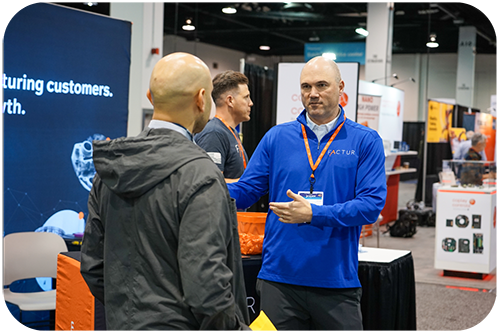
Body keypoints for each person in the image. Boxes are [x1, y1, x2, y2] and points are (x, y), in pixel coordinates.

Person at [80, 52, 250, 331]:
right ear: (201, 98)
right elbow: (206, 287)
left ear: (150, 96)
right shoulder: (200, 175)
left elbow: (93, 265)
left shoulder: (111, 168)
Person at [227, 56, 387, 331]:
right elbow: (245, 190)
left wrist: (315, 214)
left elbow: (371, 205)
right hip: (279, 280)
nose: (313, 94)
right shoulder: (277, 138)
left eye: (321, 85)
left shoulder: (364, 140)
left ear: (341, 88)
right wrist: (205, 184)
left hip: (336, 282)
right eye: (306, 86)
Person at [195, 70, 253, 183]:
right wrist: (249, 184)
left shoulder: (229, 132)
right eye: (246, 97)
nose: (250, 103)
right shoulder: (213, 133)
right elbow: (210, 182)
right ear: (230, 101)